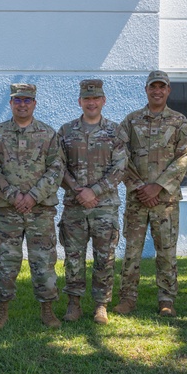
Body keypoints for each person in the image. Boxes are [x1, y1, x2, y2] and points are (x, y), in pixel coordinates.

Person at [0, 83, 64, 329]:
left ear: (34, 103)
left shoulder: (48, 134)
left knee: (44, 262)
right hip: (8, 211)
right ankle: (1, 311)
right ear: (11, 103)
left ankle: (48, 311)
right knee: (5, 262)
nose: (22, 104)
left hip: (40, 211)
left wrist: (33, 197)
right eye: (17, 100)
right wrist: (13, 196)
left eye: (27, 100)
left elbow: (56, 169)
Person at [114, 70, 187, 317]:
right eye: (153, 87)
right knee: (132, 251)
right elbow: (120, 156)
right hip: (138, 199)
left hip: (165, 200)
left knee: (166, 251)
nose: (157, 91)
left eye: (162, 87)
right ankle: (127, 298)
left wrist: (157, 186)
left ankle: (166, 299)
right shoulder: (131, 121)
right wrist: (140, 187)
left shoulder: (179, 121)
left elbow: (184, 156)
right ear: (146, 89)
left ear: (168, 90)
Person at [58, 79, 127, 324]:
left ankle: (100, 305)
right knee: (73, 257)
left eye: (96, 98)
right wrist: (79, 190)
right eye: (87, 99)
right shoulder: (66, 132)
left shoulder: (115, 132)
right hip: (75, 206)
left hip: (104, 207)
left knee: (104, 257)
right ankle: (73, 304)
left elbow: (120, 168)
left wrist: (94, 191)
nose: (91, 102)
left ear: (103, 101)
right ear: (80, 101)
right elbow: (58, 166)